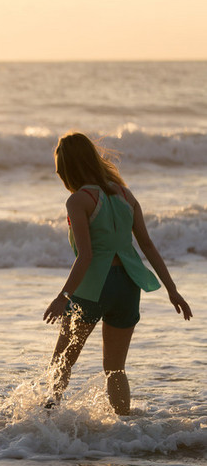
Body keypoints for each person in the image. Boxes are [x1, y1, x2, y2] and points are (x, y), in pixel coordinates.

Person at [42, 132, 192, 415]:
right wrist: (172, 289)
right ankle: (125, 431)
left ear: (66, 167)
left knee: (62, 361)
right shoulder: (126, 195)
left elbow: (86, 256)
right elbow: (146, 245)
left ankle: (47, 423)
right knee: (115, 369)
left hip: (93, 288)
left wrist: (62, 296)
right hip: (128, 286)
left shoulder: (78, 200)